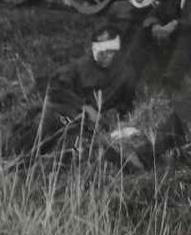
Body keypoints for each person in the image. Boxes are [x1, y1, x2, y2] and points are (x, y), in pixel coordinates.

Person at [14, 26, 138, 156]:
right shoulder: (78, 68)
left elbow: (126, 104)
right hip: (71, 115)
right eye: (102, 52)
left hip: (94, 126)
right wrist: (85, 107)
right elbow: (55, 90)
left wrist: (118, 119)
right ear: (94, 50)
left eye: (111, 52)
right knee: (41, 132)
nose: (106, 56)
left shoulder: (126, 73)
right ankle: (20, 154)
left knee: (74, 148)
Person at [147, 0, 191, 90]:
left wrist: (175, 24)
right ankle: (137, 72)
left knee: (185, 36)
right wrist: (154, 24)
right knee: (146, 29)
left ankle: (172, 79)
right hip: (178, 36)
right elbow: (159, 9)